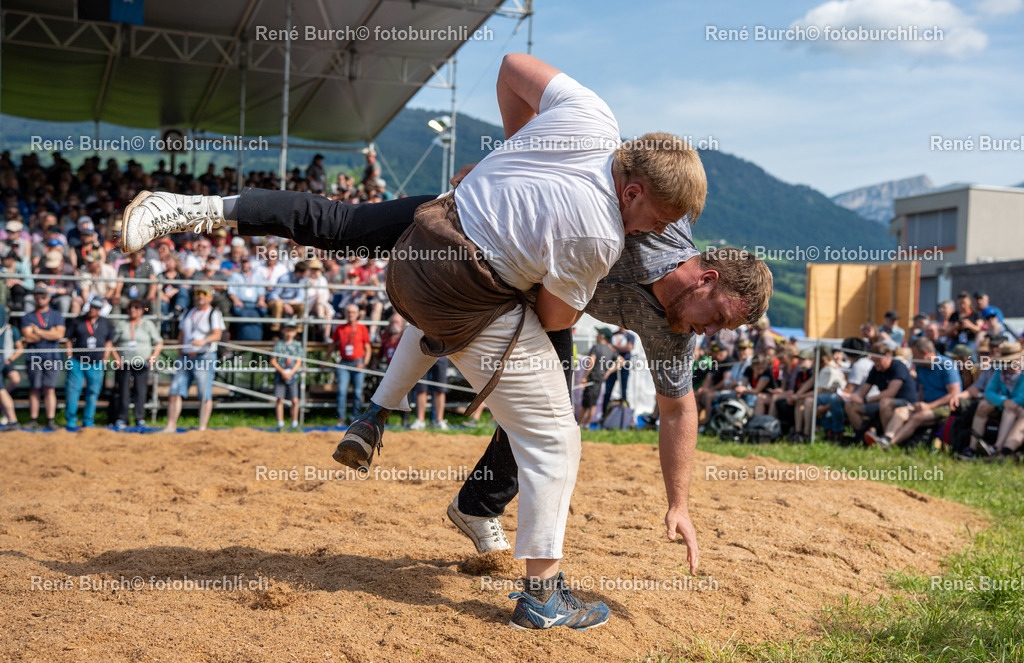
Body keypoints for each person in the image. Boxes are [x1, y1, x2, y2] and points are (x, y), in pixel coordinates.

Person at [119, 55, 769, 630]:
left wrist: (679, 503)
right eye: (723, 316)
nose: (718, 334)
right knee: (546, 425)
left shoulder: (668, 316)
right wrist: (518, 159)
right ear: (704, 271)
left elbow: (680, 408)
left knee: (536, 398)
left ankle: (431, 463)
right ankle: (191, 209)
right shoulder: (617, 228)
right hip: (496, 267)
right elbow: (554, 306)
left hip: (479, 243)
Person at [866, 337, 961, 449]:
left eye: (914, 355)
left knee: (916, 417)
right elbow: (921, 389)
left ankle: (889, 445)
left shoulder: (946, 364)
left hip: (944, 407)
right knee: (899, 412)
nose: (913, 359)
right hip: (925, 405)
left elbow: (954, 393)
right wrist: (918, 403)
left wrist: (929, 406)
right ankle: (886, 438)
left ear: (925, 353)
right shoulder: (920, 366)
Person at [164, 287, 224, 432]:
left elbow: (217, 334)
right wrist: (180, 352)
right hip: (185, 357)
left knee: (204, 393)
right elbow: (181, 334)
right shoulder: (187, 313)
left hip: (204, 356)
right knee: (175, 391)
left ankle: (202, 427)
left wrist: (204, 341)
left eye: (204, 294)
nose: (199, 296)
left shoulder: (214, 313)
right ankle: (170, 426)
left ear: (210, 297)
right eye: (197, 293)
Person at [962, 341, 1024, 460]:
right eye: (1006, 361)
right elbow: (989, 392)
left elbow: (1022, 396)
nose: (1008, 364)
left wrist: (1009, 402)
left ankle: (998, 448)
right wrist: (1003, 401)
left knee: (1010, 411)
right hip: (1005, 404)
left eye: (1010, 361)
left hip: (1017, 407)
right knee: (983, 405)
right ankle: (972, 448)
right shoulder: (999, 371)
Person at [844, 342, 917, 437]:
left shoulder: (898, 367)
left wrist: (864, 400)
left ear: (887, 356)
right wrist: (851, 397)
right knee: (850, 406)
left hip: (906, 403)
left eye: (878, 361)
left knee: (885, 402)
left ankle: (886, 439)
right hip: (883, 402)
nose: (876, 364)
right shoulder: (875, 369)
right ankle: (862, 436)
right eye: (874, 361)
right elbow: (863, 391)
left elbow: (890, 393)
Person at [110, 298, 163, 429]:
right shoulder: (122, 324)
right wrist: (116, 358)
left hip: (142, 363)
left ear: (141, 310)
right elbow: (111, 343)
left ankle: (140, 418)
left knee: (141, 390)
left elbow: (159, 342)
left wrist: (153, 357)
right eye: (131, 307)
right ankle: (122, 418)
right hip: (125, 362)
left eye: (136, 307)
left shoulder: (148, 324)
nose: (133, 310)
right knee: (123, 391)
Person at [63, 295, 114, 428]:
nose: (93, 310)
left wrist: (105, 358)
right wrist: (69, 357)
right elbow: (68, 339)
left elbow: (109, 341)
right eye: (92, 307)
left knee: (93, 392)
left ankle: (88, 420)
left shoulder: (106, 323)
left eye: (96, 308)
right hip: (77, 361)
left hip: (96, 363)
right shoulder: (77, 321)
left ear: (100, 309)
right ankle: (71, 420)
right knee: (73, 391)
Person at [20, 285, 66, 430]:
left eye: (43, 296)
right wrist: (49, 333)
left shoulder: (56, 315)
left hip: (52, 356)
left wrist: (38, 331)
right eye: (37, 297)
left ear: (49, 297)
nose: (40, 299)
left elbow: (59, 335)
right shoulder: (28, 317)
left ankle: (50, 420)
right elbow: (28, 338)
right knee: (34, 388)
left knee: (49, 389)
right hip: (34, 356)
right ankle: (33, 419)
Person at [328, 304, 371, 427]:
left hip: (358, 363)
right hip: (344, 362)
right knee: (342, 391)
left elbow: (367, 348)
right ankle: (341, 418)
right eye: (348, 312)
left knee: (358, 392)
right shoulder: (340, 328)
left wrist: (364, 363)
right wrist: (326, 359)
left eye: (353, 312)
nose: (350, 314)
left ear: (357, 314)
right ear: (345, 314)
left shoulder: (362, 328)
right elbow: (333, 344)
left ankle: (355, 418)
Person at [577, 327, 621, 429]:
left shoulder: (596, 347)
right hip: (599, 380)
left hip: (591, 379)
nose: (596, 335)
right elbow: (622, 361)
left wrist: (584, 377)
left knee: (586, 405)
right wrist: (609, 371)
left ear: (602, 336)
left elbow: (591, 361)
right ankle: (586, 425)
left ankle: (580, 425)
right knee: (593, 403)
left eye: (598, 333)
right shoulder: (610, 350)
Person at [271, 320, 303, 431]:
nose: (289, 332)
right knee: (280, 399)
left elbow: (299, 361)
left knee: (294, 400)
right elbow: (273, 360)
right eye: (287, 330)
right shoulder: (279, 345)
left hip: (292, 375)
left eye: (292, 330)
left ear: (295, 332)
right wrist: (283, 372)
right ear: (283, 331)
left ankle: (294, 423)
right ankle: (280, 424)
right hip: (281, 374)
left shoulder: (298, 345)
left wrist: (291, 373)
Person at [0, 301, 23, 430]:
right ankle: (11, 420)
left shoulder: (12, 329)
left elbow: (19, 348)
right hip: (2, 358)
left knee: (3, 389)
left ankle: (12, 420)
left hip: (5, 359)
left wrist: (10, 359)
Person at [411, 358, 450, 430]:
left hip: (442, 355)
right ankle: (420, 420)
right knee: (421, 389)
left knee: (440, 390)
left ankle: (439, 421)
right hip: (423, 354)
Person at [602, 326, 636, 411]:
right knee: (608, 390)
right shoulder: (613, 335)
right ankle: (604, 413)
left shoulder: (630, 336)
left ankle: (623, 412)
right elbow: (608, 347)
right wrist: (623, 348)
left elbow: (629, 347)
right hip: (613, 365)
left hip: (625, 365)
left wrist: (615, 347)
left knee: (624, 390)